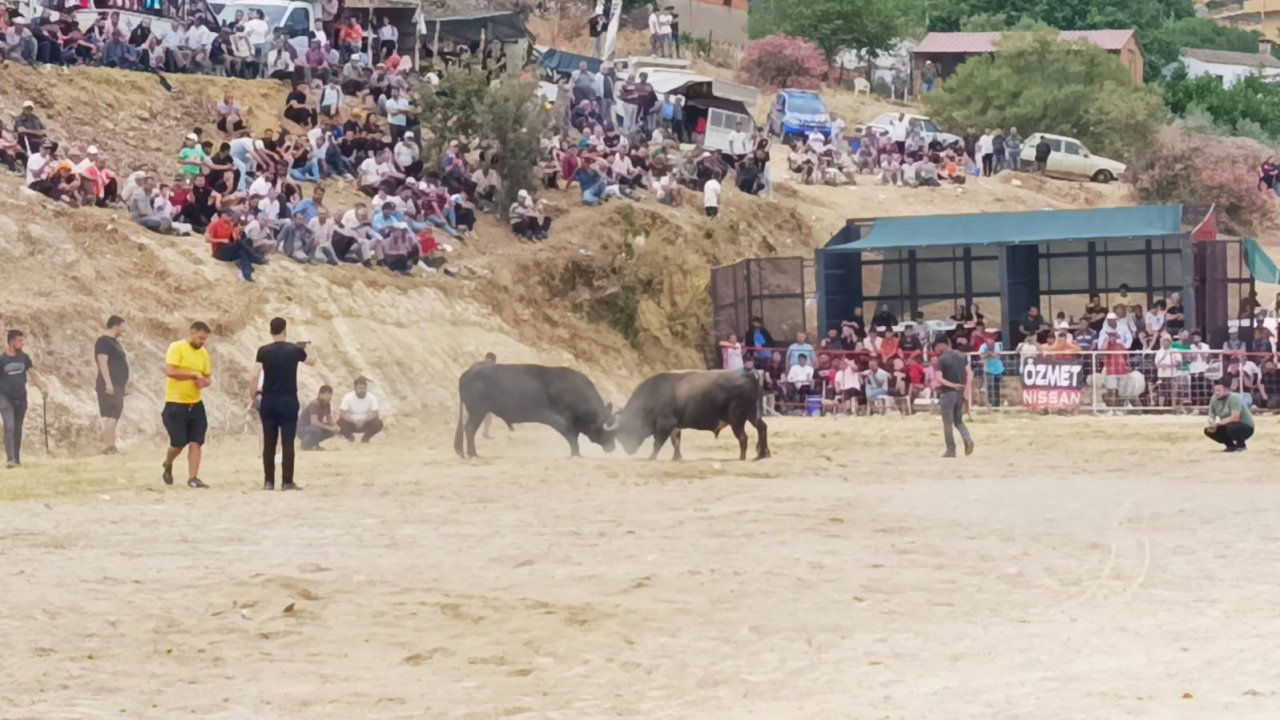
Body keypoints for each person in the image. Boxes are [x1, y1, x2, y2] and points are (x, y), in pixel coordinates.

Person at [251, 317, 316, 491]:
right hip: (288, 400)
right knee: (288, 442)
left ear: (270, 331)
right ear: (285, 330)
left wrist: (253, 395)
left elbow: (254, 375)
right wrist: (309, 349)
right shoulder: (294, 350)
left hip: (269, 400)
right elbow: (311, 361)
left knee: (269, 442)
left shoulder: (263, 351)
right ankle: (287, 482)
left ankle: (268, 482)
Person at [162, 322, 212, 489]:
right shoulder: (176, 348)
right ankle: (168, 462)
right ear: (192, 334)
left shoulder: (204, 354)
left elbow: (207, 377)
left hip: (195, 403)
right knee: (178, 442)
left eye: (205, 339)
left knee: (196, 441)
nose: (202, 342)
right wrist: (192, 375)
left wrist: (204, 382)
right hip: (176, 403)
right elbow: (170, 372)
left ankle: (193, 478)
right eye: (200, 338)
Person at [1, 330, 48, 469]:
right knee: (9, 426)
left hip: (21, 398)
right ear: (11, 341)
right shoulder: (2, 360)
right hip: (4, 398)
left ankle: (17, 458)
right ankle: (10, 459)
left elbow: (32, 374)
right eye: (19, 341)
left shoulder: (24, 358)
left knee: (17, 428)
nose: (22, 343)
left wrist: (42, 387)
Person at [94, 315, 129, 455]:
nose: (124, 329)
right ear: (116, 325)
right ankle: (107, 446)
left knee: (115, 414)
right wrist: (108, 383)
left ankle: (111, 445)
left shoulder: (115, 342)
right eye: (123, 325)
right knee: (112, 414)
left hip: (118, 384)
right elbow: (102, 362)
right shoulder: (103, 341)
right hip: (109, 383)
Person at [934, 338, 974, 458]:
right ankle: (967, 439)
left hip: (948, 393)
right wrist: (965, 390)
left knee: (947, 423)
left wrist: (952, 385)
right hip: (960, 393)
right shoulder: (961, 356)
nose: (936, 350)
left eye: (936, 347)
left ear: (942, 345)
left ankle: (951, 450)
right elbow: (970, 374)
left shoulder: (942, 359)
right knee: (959, 420)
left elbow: (939, 378)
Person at [1205, 379, 1254, 452]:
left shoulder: (1234, 398)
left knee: (1231, 426)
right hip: (1227, 425)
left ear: (1226, 391)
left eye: (1219, 391)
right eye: (1215, 390)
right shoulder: (1213, 398)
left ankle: (1241, 445)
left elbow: (1235, 418)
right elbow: (1211, 415)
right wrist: (1211, 422)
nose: (1216, 393)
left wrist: (1218, 423)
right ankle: (1230, 446)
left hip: (1245, 426)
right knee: (1209, 431)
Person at [338, 376, 383, 442]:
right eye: (359, 388)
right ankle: (350, 438)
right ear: (355, 389)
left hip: (366, 422)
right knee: (340, 423)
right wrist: (354, 421)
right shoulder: (348, 397)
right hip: (351, 422)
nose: (362, 390)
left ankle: (366, 438)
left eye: (363, 388)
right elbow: (342, 413)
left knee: (378, 423)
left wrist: (363, 421)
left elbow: (375, 413)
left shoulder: (371, 397)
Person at [299, 385, 341, 450]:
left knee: (330, 430)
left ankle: (314, 444)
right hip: (303, 428)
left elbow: (329, 418)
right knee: (316, 430)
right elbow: (314, 422)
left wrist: (335, 426)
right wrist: (330, 428)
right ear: (320, 394)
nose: (329, 396)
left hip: (315, 427)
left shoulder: (327, 404)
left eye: (330, 394)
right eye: (327, 394)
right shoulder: (315, 404)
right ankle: (305, 445)